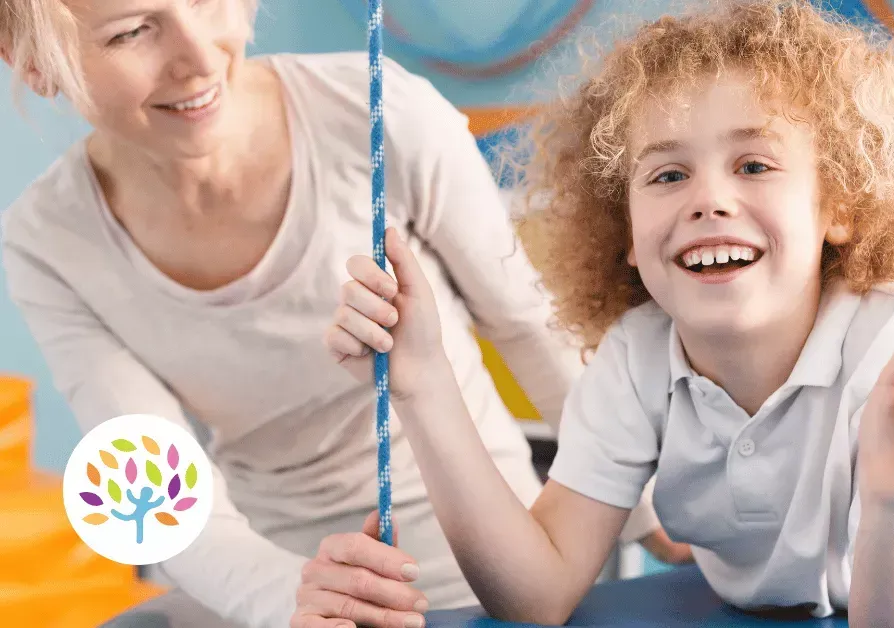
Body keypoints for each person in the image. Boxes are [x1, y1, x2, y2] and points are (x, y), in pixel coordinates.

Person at [326, 1, 894, 626]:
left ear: (838, 210)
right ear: (624, 233)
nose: (708, 199)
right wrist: (425, 382)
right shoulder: (637, 361)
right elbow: (538, 594)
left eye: (754, 166)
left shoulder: (891, 333)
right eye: (667, 174)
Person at [0, 1, 685, 627]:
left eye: (207, 2)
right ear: (33, 64)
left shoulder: (378, 111)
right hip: (271, 588)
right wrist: (290, 598)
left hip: (485, 570)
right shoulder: (49, 242)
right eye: (131, 32)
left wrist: (651, 507)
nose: (200, 56)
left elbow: (530, 327)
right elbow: (154, 489)